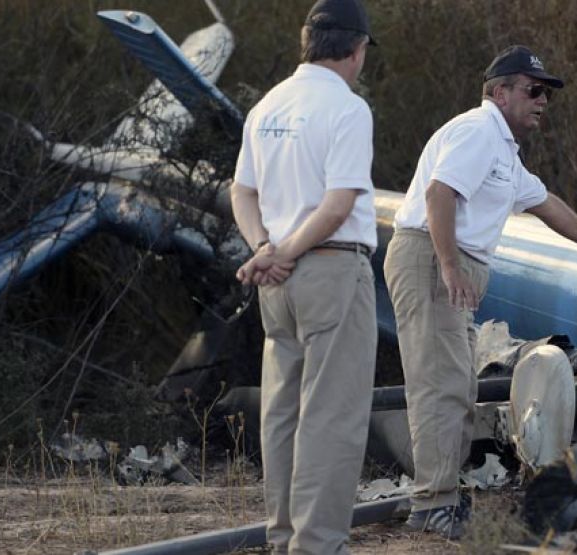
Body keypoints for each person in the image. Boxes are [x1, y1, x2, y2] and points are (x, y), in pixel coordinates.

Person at [383, 45, 577, 539]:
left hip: (450, 266)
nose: (542, 101)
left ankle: (440, 499)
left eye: (546, 94)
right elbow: (439, 193)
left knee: (459, 386)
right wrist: (451, 265)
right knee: (440, 385)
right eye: (533, 90)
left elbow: (545, 203)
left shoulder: (505, 154)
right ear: (499, 92)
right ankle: (432, 505)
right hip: (431, 261)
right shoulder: (478, 132)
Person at [229, 1, 378, 552]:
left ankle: (283, 536)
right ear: (357, 50)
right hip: (332, 268)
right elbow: (338, 204)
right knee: (331, 415)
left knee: (282, 414)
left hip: (278, 282)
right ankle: (316, 544)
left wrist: (265, 249)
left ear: (306, 41)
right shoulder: (347, 108)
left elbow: (240, 190)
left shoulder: (267, 106)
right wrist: (284, 248)